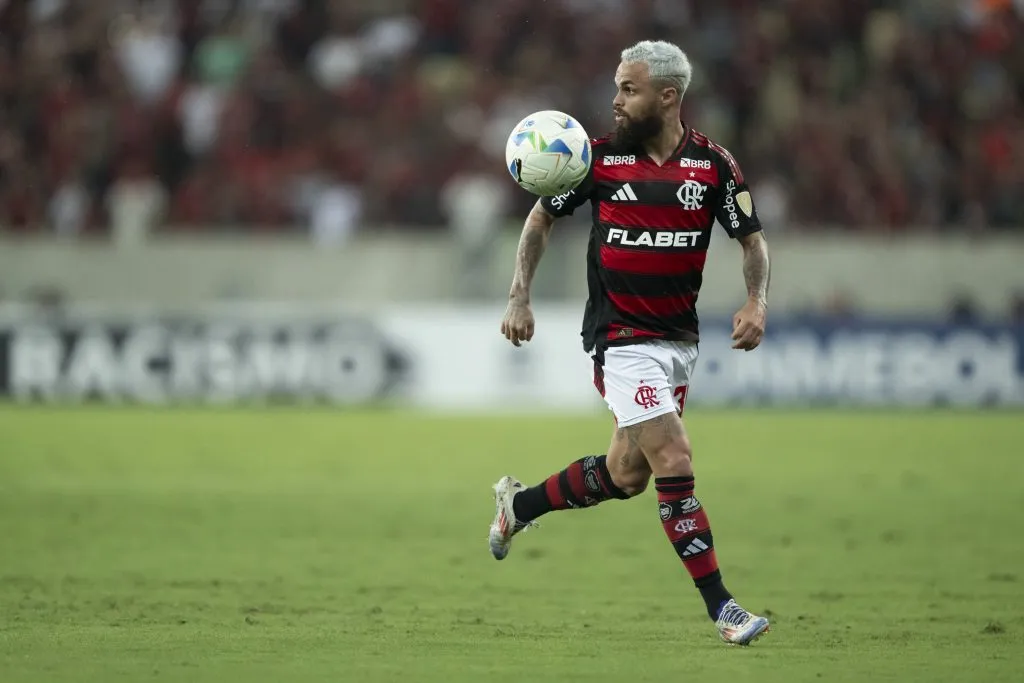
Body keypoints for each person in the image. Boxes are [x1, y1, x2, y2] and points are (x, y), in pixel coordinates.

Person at [488, 40, 772, 646]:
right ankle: (723, 608)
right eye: (617, 87)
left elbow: (751, 240)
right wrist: (519, 295)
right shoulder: (594, 159)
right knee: (675, 458)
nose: (615, 101)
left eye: (628, 89)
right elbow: (540, 219)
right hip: (620, 339)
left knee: (627, 474)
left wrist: (756, 301)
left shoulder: (713, 165)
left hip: (678, 341)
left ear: (668, 97)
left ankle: (521, 507)